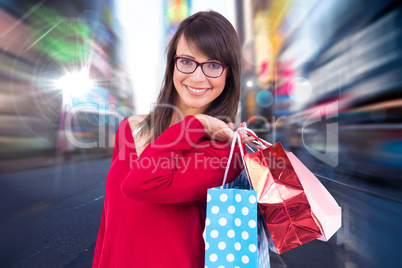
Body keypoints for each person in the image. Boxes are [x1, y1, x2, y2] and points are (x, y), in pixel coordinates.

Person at [92, 10, 253, 268]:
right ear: (173, 63)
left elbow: (139, 185)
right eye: (187, 61)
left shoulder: (224, 151)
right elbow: (108, 225)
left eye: (213, 65)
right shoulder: (129, 128)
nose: (198, 77)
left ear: (229, 74)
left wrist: (196, 124)